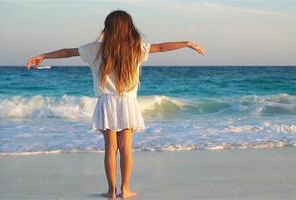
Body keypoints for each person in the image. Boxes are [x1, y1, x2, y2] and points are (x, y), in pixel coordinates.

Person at [26, 9, 206, 199]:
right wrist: (187, 43)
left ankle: (112, 191)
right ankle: (125, 189)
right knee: (126, 147)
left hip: (106, 102)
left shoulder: (95, 49)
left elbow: (68, 52)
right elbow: (161, 47)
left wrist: (43, 55)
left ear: (108, 28)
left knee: (110, 148)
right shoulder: (136, 47)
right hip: (127, 102)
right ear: (129, 28)